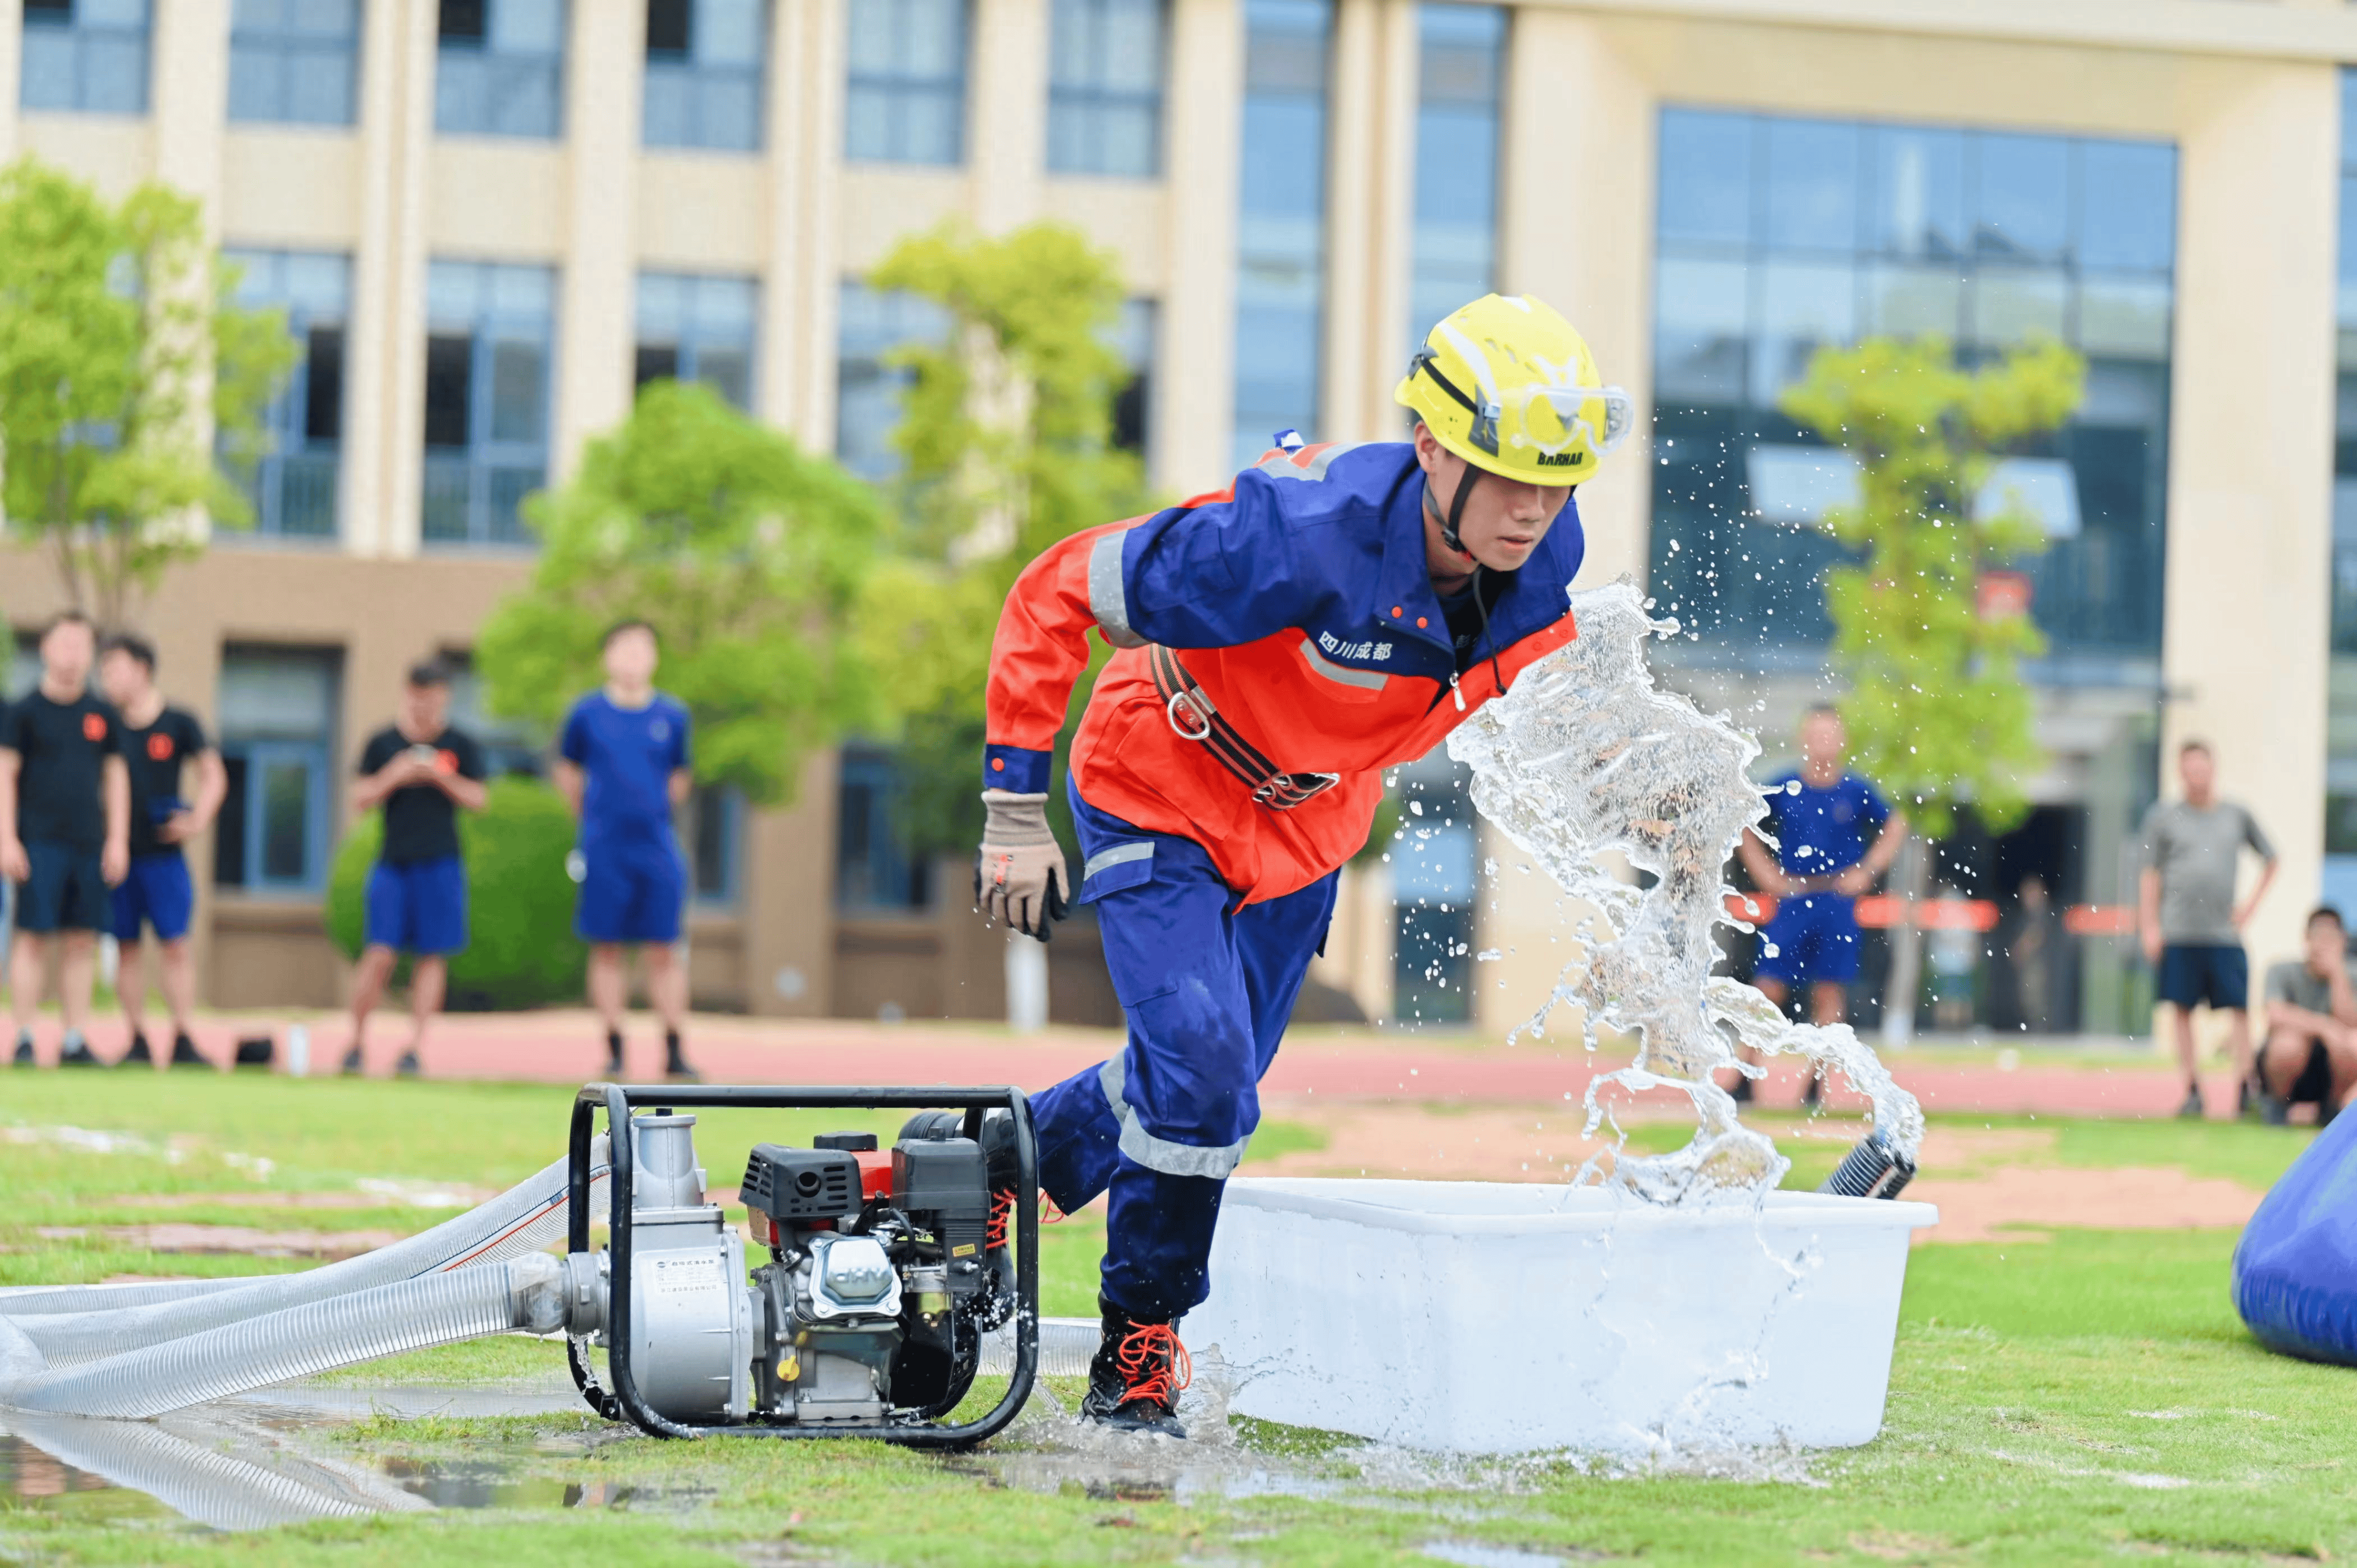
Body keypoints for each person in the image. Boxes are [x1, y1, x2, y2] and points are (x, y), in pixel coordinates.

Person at [972, 294, 1627, 1434]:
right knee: (1208, 1071)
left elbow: (1536, 700)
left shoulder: (1542, 553)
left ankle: (1000, 1165)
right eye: (1506, 473)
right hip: (1160, 775)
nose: (1534, 509)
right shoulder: (1291, 535)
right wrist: (1011, 810)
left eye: (1557, 479)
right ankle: (1143, 1343)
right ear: (1430, 447)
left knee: (1200, 1084)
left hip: (1310, 827)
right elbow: (1055, 590)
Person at [1726, 705, 1906, 1106]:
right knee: (1768, 985)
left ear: (1843, 741)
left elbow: (1897, 824)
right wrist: (1766, 874)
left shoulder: (1856, 791)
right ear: (1804, 739)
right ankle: (1744, 1074)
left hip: (1837, 901)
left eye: (1830, 734)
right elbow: (1742, 818)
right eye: (1816, 734)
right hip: (1792, 899)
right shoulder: (1786, 785)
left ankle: (1816, 1081)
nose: (1823, 742)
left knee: (1828, 992)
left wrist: (1869, 870)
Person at [556, 620, 696, 1083]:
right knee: (607, 947)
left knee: (664, 948)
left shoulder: (673, 715)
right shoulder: (587, 713)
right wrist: (594, 819)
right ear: (608, 655)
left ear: (655, 656)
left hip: (655, 844)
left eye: (644, 648)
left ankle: (675, 1047)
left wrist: (649, 811)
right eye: (626, 647)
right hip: (604, 846)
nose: (635, 656)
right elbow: (569, 772)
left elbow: (679, 776)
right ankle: (614, 1046)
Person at [343, 661, 486, 1078]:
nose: (426, 705)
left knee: (432, 956)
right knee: (380, 952)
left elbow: (480, 799)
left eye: (435, 697)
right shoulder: (383, 742)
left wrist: (442, 776)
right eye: (419, 696)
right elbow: (359, 797)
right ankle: (355, 1041)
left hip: (441, 861)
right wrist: (397, 774)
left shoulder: (460, 743)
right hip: (393, 861)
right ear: (408, 694)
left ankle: (416, 1047)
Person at [0, 613, 129, 1068]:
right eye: (65, 644)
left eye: (82, 646)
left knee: (81, 940)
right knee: (32, 937)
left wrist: (117, 839)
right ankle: (24, 1036)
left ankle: (75, 1038)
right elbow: (5, 775)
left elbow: (115, 777)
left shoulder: (102, 715)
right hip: (37, 841)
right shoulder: (23, 711)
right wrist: (6, 838)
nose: (73, 655)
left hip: (88, 843)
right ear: (46, 649)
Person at [97, 633, 226, 1069]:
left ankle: (184, 1036)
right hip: (119, 858)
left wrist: (196, 820)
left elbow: (213, 775)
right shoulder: (104, 726)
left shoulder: (179, 721)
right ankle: (136, 1038)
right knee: (127, 948)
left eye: (114, 667)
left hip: (165, 857)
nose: (108, 677)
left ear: (142, 668)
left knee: (176, 945)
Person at [2140, 739, 2276, 1119]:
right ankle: (2193, 1090)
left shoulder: (2236, 814)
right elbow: (2149, 875)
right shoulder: (2162, 818)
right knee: (2181, 1012)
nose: (2197, 775)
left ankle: (2246, 1087)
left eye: (2203, 767)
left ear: (2213, 769)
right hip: (2179, 933)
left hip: (2224, 935)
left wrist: (2248, 908)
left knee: (2238, 1011)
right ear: (2182, 772)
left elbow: (2271, 858)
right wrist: (2150, 927)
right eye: (2190, 768)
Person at [2254, 905, 2357, 1126]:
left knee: (2352, 1042)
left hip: (2335, 1068)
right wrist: (2324, 1027)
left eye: (2331, 938)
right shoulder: (2282, 970)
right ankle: (2277, 1106)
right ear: (2306, 939)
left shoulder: (2351, 975)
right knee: (2288, 1043)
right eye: (2318, 937)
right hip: (2289, 1065)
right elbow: (2276, 1015)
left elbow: (2351, 1023)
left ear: (2343, 941)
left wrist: (2337, 973)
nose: (2324, 944)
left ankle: (2333, 1108)